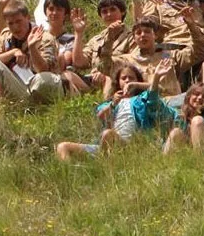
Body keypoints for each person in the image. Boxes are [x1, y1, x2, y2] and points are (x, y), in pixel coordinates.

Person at [57, 59, 186, 160]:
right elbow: (100, 116)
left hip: (133, 146)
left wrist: (155, 78)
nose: (127, 80)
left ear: (137, 81)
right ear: (118, 82)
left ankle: (109, 168)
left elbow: (154, 97)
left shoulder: (142, 99)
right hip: (108, 144)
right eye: (124, 78)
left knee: (108, 134)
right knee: (63, 147)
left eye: (131, 78)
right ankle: (72, 175)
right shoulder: (110, 103)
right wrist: (113, 103)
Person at [0, 0, 63, 106]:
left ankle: (35, 107)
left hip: (44, 87)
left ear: (28, 18)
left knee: (42, 80)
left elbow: (43, 70)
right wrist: (12, 53)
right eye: (10, 23)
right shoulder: (6, 36)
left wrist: (32, 48)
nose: (15, 27)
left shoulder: (45, 37)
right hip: (21, 87)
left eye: (18, 21)